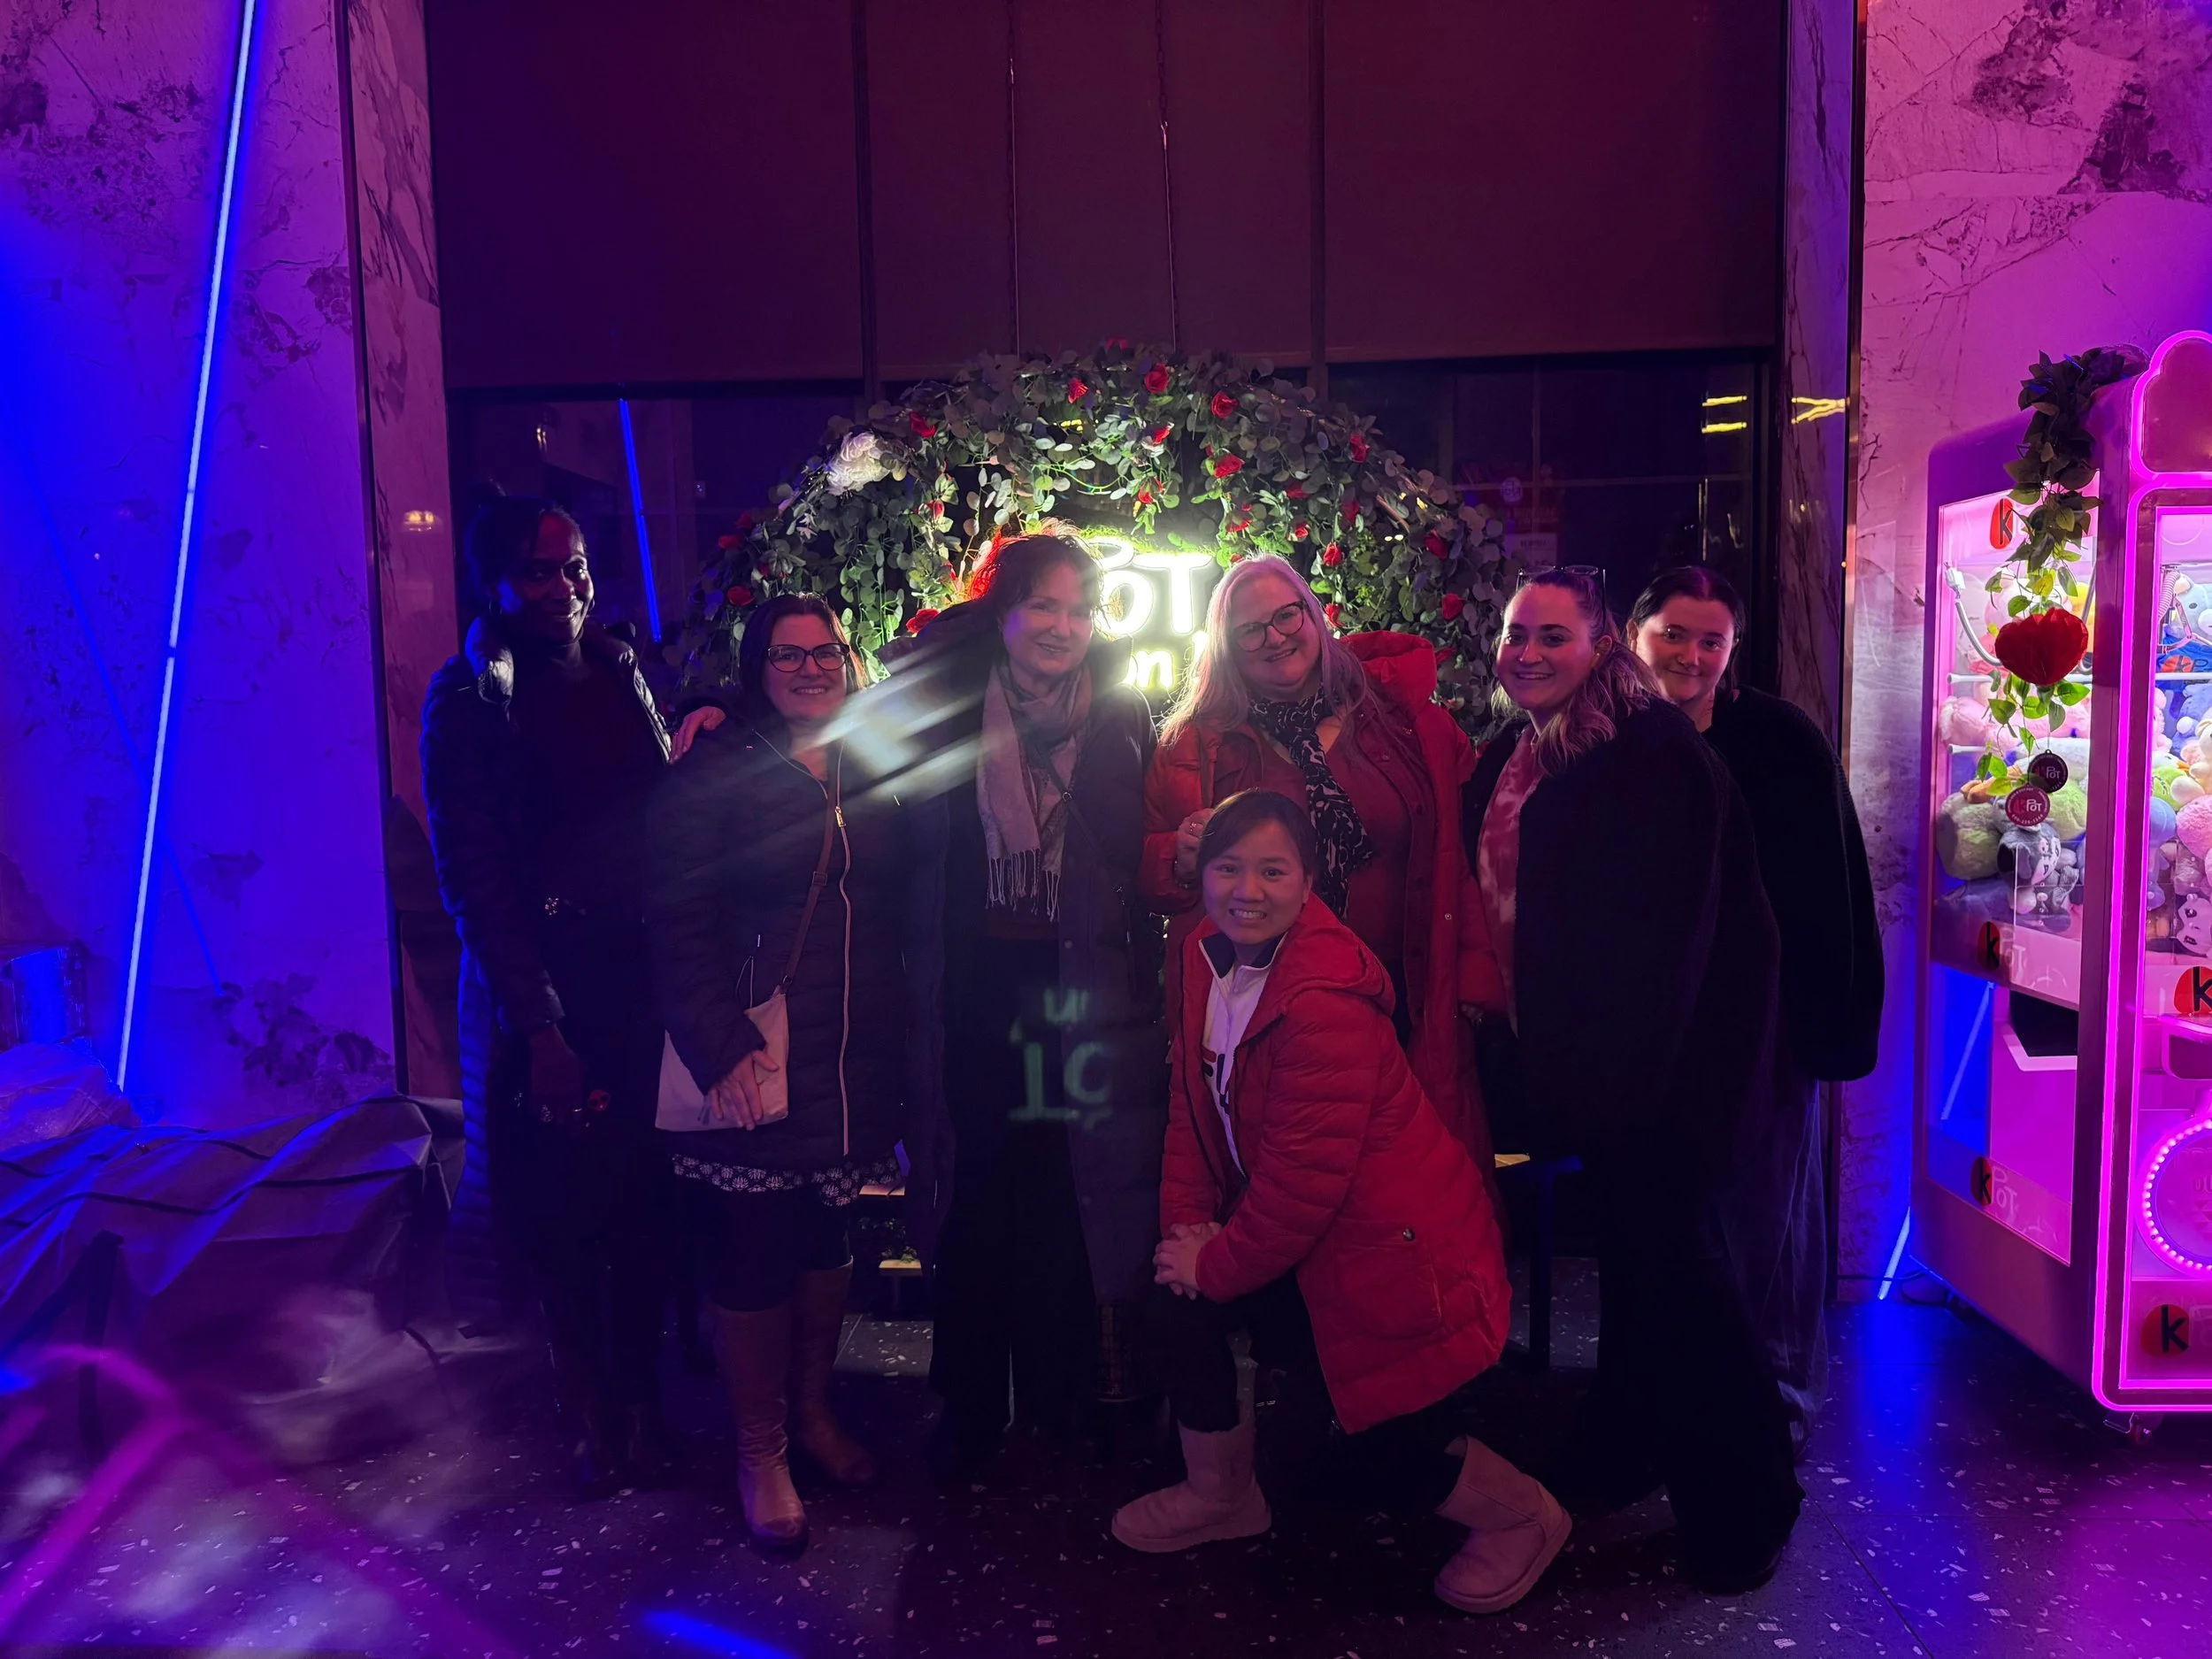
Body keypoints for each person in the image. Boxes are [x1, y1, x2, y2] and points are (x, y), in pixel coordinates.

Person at [1114, 790, 1562, 1616]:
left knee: (1369, 1446)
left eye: (1273, 870)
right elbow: (1192, 1109)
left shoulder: (1322, 1001)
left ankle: (1524, 1517)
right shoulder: (1206, 955)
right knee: (1174, 1300)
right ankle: (1222, 1495)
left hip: (1400, 1260)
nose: (1248, 890)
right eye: (1228, 867)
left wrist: (1213, 1263)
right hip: (1317, 1244)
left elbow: (1299, 1195)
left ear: (1310, 880)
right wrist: (1188, 1233)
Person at [1461, 566, 1803, 1594]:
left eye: (1552, 636)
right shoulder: (1530, 746)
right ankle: (1623, 1450)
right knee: (1643, 1277)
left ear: (1601, 646)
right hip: (1596, 1072)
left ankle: (1749, 1504)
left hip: (1667, 1078)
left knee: (1689, 1288)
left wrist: (1631, 1089)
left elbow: (1672, 946)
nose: (1527, 652)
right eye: (1516, 633)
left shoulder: (1645, 751)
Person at [421, 497, 719, 1496]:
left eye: (577, 566)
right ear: (495, 583)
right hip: (544, 985)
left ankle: (639, 1400)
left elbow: (660, 813)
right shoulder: (470, 698)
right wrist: (540, 1023)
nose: (565, 588)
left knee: (645, 1195)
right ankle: (588, 1408)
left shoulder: (620, 668)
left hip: (639, 973)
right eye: (539, 571)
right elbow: (474, 880)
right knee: (562, 1208)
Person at [879, 532, 1167, 1479]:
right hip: (971, 992)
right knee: (971, 1192)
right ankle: (968, 1402)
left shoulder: (1120, 712)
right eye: (1043, 604)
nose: (1063, 626)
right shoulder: (945, 703)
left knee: (1063, 1197)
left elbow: (1142, 846)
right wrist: (713, 709)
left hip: (1078, 990)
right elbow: (846, 749)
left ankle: (1056, 1397)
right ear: (1002, 610)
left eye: (1080, 610)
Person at [646, 595, 914, 1556]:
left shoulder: (872, 758)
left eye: (825, 652)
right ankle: (759, 1450)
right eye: (787, 655)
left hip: (849, 1057)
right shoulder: (717, 767)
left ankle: (813, 1414)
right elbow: (674, 919)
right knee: (753, 1249)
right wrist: (718, 1043)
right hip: (756, 1050)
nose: (810, 669)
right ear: (756, 670)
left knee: (826, 1239)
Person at [1628, 567, 1881, 1456]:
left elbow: (1833, 890)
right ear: (1633, 633)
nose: (1690, 655)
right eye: (1672, 633)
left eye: (1711, 640)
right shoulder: (1610, 735)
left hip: (1766, 1026)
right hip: (1656, 1031)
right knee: (1677, 1225)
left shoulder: (1777, 739)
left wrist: (1825, 1025)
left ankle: (1775, 1414)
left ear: (1732, 651)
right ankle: (1676, 1411)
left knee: (1769, 1222)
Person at [1141, 555, 1491, 1163]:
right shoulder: (1193, 744)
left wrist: (1475, 970)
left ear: (1313, 616)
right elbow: (1149, 867)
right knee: (1293, 1173)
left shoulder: (1398, 720)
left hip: (1403, 995)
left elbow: (1451, 853)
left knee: (1409, 1176)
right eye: (1251, 629)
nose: (1275, 637)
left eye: (1287, 616)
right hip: (1267, 1015)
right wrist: (1178, 855)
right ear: (1225, 646)